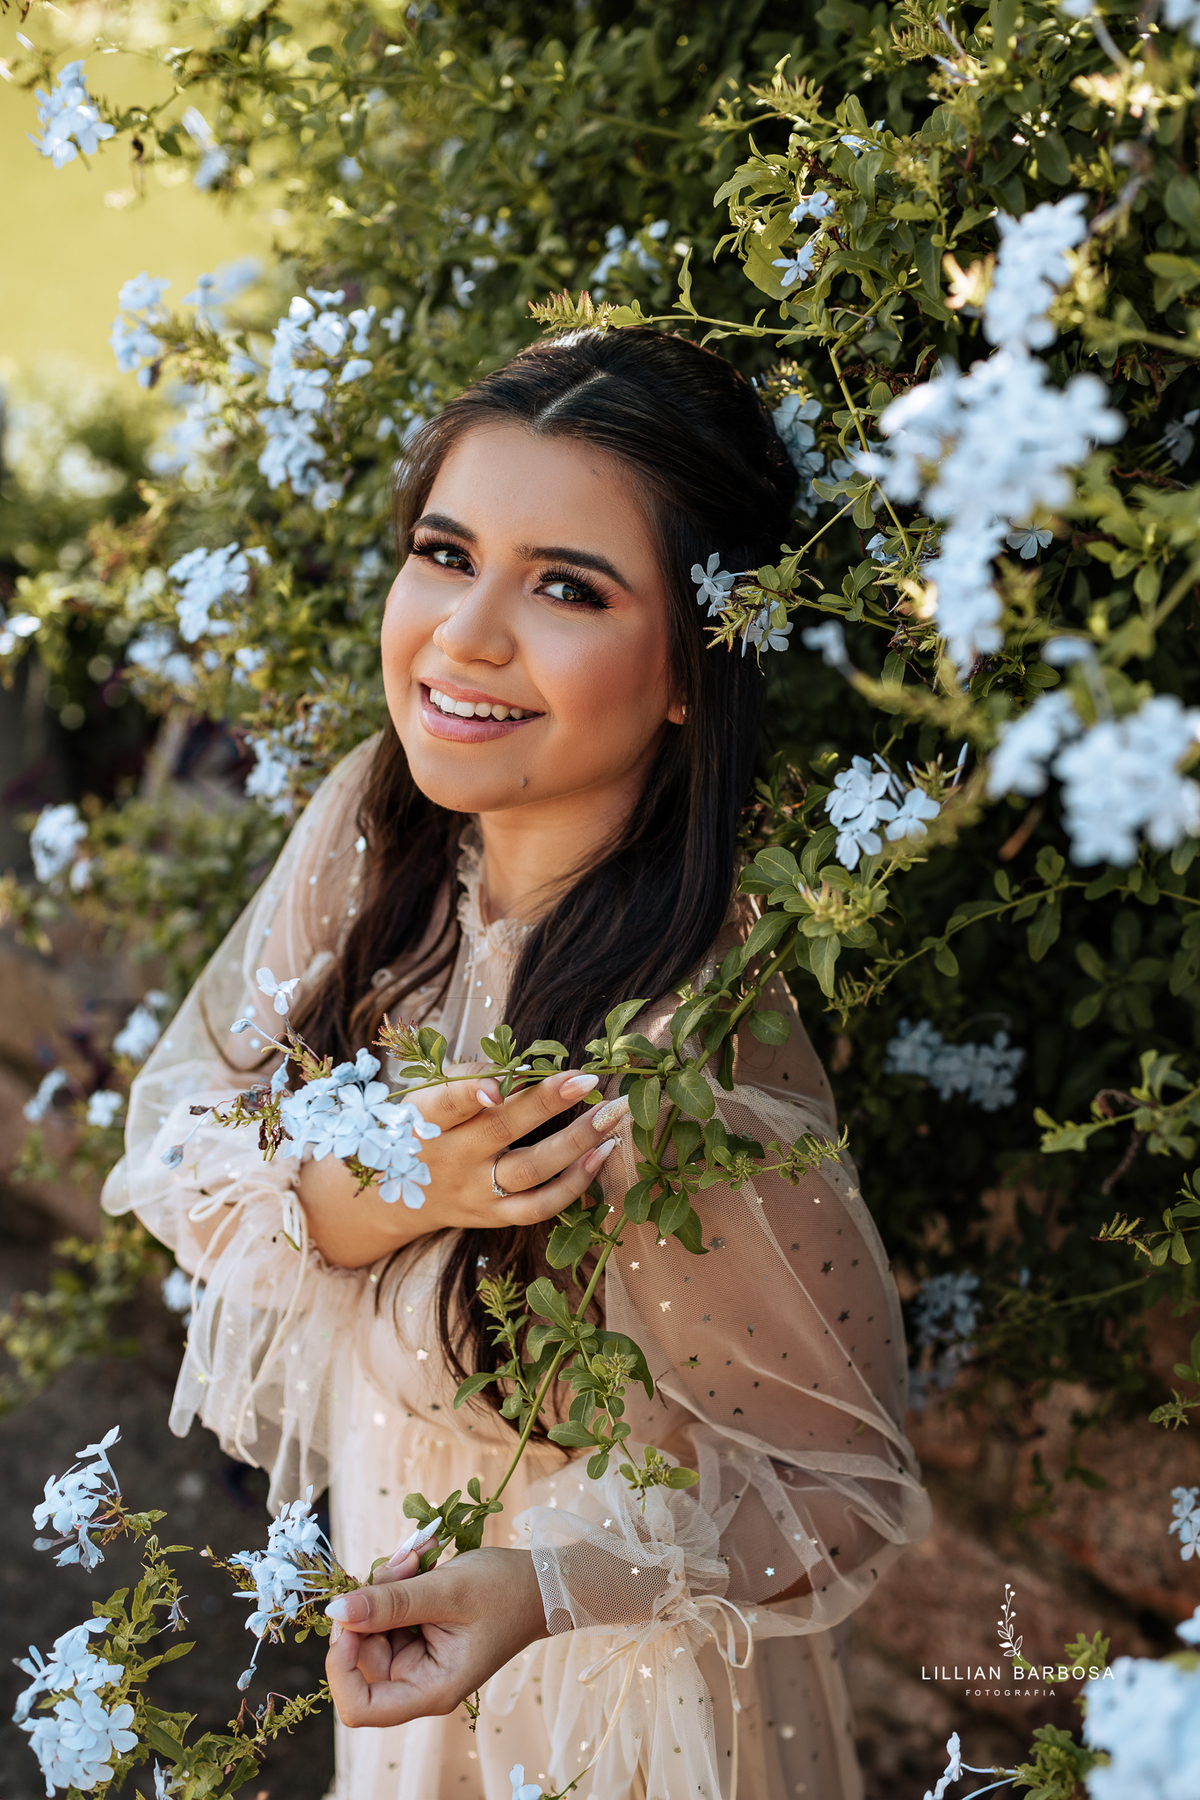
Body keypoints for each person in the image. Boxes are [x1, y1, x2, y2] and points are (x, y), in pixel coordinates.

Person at [103, 328, 931, 1800]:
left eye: (568, 587)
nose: (466, 636)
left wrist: (544, 1588)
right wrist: (380, 1187)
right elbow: (179, 1145)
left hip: (609, 1713)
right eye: (445, 554)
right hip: (406, 1632)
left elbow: (841, 1487)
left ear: (693, 668)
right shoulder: (385, 830)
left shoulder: (677, 1051)